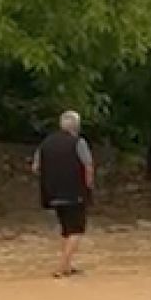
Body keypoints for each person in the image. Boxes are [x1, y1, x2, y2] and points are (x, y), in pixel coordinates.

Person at [33, 110, 95, 277]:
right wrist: (88, 186)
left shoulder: (45, 144)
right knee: (76, 230)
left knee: (66, 230)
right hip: (75, 193)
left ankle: (67, 265)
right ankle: (61, 267)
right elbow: (88, 166)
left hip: (52, 193)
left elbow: (35, 167)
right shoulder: (78, 142)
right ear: (77, 126)